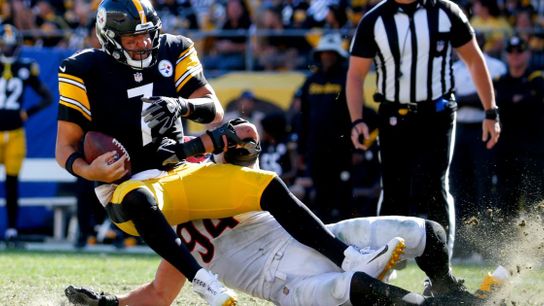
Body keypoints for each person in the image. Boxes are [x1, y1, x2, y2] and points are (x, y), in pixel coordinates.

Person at [55, 1, 406, 305]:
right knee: (140, 199)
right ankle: (206, 284)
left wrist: (181, 106)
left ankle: (348, 258)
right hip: (126, 186)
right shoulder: (83, 69)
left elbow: (215, 110)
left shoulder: (174, 49)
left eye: (148, 34)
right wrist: (91, 170)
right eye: (133, 39)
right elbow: (65, 148)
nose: (144, 44)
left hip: (179, 172)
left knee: (266, 183)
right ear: (110, 40)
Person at [64, 140, 482, 306]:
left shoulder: (204, 176)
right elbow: (159, 293)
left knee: (427, 233)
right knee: (358, 290)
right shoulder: (173, 230)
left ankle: (447, 289)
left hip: (318, 241)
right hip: (287, 284)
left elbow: (245, 141)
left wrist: (210, 143)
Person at [346, 0, 501, 254]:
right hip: (394, 114)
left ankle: (440, 266)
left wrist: (491, 111)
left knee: (435, 185)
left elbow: (473, 59)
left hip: (437, 113)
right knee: (394, 187)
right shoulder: (374, 19)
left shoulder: (446, 11)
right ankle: (387, 262)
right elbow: (355, 74)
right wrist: (357, 119)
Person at [449, 32, 506, 259]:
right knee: (459, 186)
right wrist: (471, 99)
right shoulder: (454, 68)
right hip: (460, 129)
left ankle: (486, 245)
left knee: (485, 186)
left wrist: (465, 100)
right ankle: (463, 244)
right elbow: (450, 97)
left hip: (483, 129)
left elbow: (494, 97)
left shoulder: (495, 66)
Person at [0, 24, 53, 245]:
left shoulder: (25, 67)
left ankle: (12, 230)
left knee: (13, 184)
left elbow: (47, 97)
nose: (8, 50)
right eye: (5, 45)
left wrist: (27, 112)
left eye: (11, 46)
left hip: (15, 133)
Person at [298, 33, 354, 223]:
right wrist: (301, 149)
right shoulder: (310, 81)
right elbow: (303, 117)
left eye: (331, 53)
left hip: (342, 147)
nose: (327, 57)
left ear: (338, 56)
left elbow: (356, 113)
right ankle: (324, 232)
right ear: (319, 55)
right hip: (316, 148)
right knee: (321, 192)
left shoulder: (347, 79)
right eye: (324, 53)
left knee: (343, 192)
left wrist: (355, 146)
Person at [493, 35, 544, 225]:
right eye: (511, 52)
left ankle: (537, 240)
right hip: (506, 149)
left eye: (519, 52)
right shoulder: (500, 80)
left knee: (535, 196)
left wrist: (513, 100)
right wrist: (520, 99)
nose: (515, 56)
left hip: (533, 149)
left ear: (527, 54)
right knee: (506, 197)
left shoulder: (537, 78)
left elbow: (532, 100)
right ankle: (507, 241)